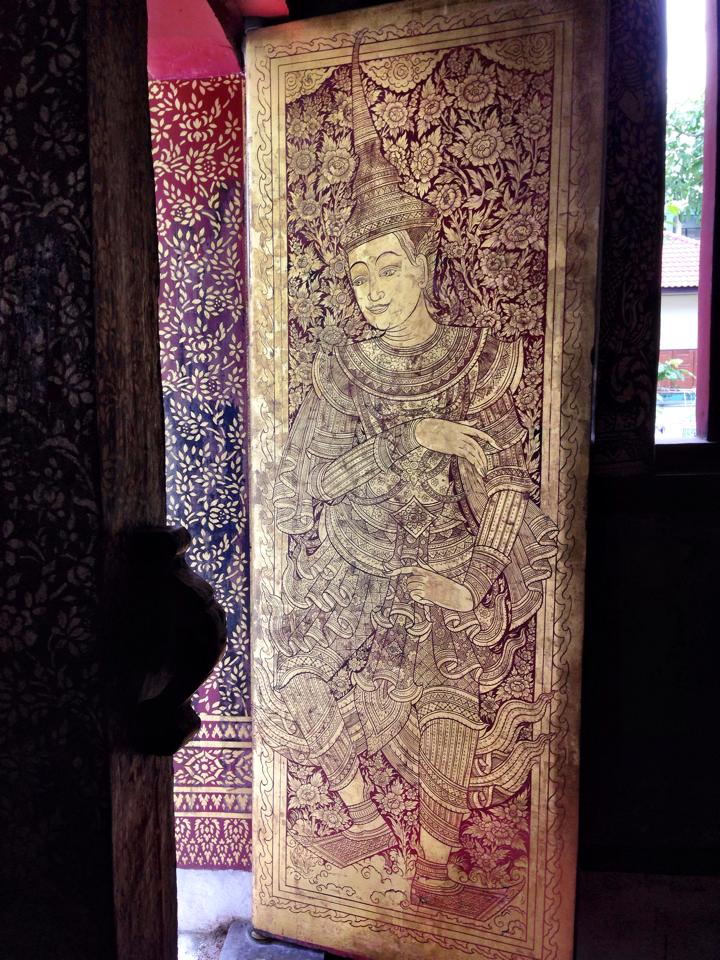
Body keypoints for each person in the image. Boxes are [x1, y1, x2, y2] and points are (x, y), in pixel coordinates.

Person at [270, 35, 556, 918]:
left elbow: (509, 481)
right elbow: (298, 487)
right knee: (296, 670)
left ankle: (433, 863)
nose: (372, 290)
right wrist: (403, 446)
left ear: (426, 263)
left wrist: (479, 573)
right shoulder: (341, 370)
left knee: (447, 685)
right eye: (359, 274)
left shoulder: (478, 359)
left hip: (441, 562)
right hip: (354, 564)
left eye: (388, 266)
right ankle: (360, 818)